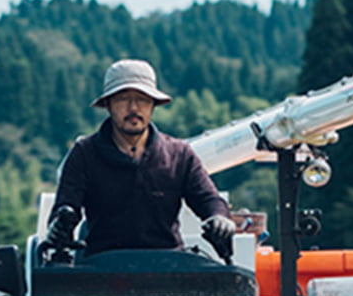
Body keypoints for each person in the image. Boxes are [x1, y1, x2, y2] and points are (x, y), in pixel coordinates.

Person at [45, 58, 235, 259]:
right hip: (100, 269)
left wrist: (219, 218)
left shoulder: (179, 154)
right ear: (108, 105)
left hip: (169, 268)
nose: (133, 108)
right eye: (123, 99)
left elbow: (208, 199)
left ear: (153, 105)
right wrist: (59, 226)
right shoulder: (84, 153)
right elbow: (65, 208)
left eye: (142, 99)